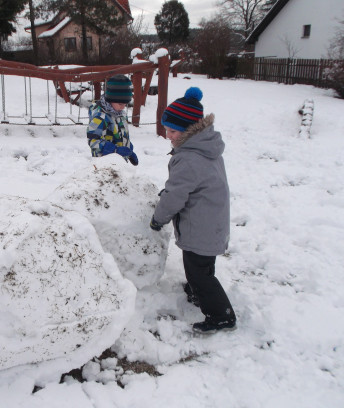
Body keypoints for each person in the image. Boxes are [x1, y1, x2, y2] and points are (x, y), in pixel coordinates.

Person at [149, 87, 236, 334]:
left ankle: (221, 315)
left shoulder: (189, 158)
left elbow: (176, 194)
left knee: (199, 271)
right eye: (166, 129)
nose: (167, 135)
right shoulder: (205, 148)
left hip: (201, 226)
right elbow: (191, 184)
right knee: (202, 267)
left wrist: (158, 218)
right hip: (211, 220)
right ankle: (199, 290)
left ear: (188, 131)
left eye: (172, 131)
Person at [87, 74, 138, 166]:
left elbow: (122, 134)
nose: (123, 107)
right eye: (120, 104)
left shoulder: (120, 114)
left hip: (119, 163)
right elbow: (93, 141)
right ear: (110, 99)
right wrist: (115, 150)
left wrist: (129, 150)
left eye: (125, 104)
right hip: (103, 164)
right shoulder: (100, 116)